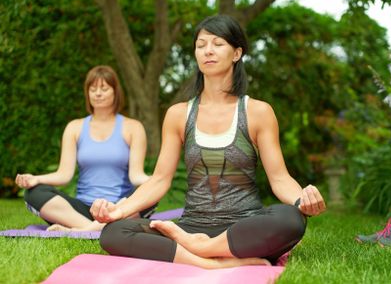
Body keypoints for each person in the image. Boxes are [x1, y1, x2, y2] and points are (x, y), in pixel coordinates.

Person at [90, 15, 326, 269]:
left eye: (217, 44)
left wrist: (302, 201)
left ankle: (200, 249)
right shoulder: (179, 114)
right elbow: (159, 180)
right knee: (114, 233)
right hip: (192, 224)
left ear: (236, 53)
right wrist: (119, 212)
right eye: (201, 45)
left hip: (243, 225)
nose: (208, 51)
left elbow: (279, 178)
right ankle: (214, 263)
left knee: (291, 219)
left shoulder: (258, 112)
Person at [15, 65, 153, 232]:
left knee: (149, 193)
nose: (98, 93)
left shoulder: (133, 127)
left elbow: (136, 176)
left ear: (116, 92)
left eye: (104, 88)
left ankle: (82, 231)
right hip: (82, 211)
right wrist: (36, 179)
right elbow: (64, 175)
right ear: (87, 93)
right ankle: (93, 228)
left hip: (118, 208)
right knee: (33, 193)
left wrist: (156, 181)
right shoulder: (75, 127)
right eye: (92, 89)